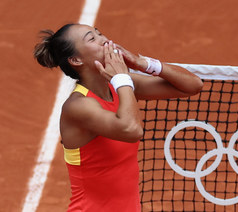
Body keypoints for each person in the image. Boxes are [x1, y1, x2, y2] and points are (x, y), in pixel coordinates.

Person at [33, 23, 203, 212]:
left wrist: (143, 64)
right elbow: (132, 130)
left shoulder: (119, 86)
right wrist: (123, 79)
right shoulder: (78, 106)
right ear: (76, 60)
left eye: (100, 33)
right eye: (92, 38)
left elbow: (193, 85)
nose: (104, 39)